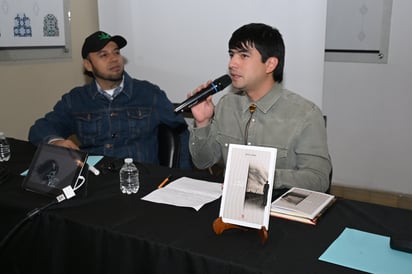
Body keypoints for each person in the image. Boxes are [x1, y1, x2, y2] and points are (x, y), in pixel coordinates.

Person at [188, 23, 332, 192]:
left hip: (278, 209)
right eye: (231, 54)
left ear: (270, 64)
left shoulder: (305, 114)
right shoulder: (227, 105)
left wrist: (262, 177)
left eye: (243, 56)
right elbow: (203, 161)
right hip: (230, 206)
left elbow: (318, 179)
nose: (232, 63)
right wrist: (203, 122)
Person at [29, 31, 191, 169]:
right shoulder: (76, 100)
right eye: (103, 55)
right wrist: (56, 142)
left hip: (140, 181)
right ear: (88, 65)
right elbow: (40, 128)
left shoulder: (149, 94)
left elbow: (181, 130)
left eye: (116, 52)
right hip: (95, 182)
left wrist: (183, 176)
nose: (114, 59)